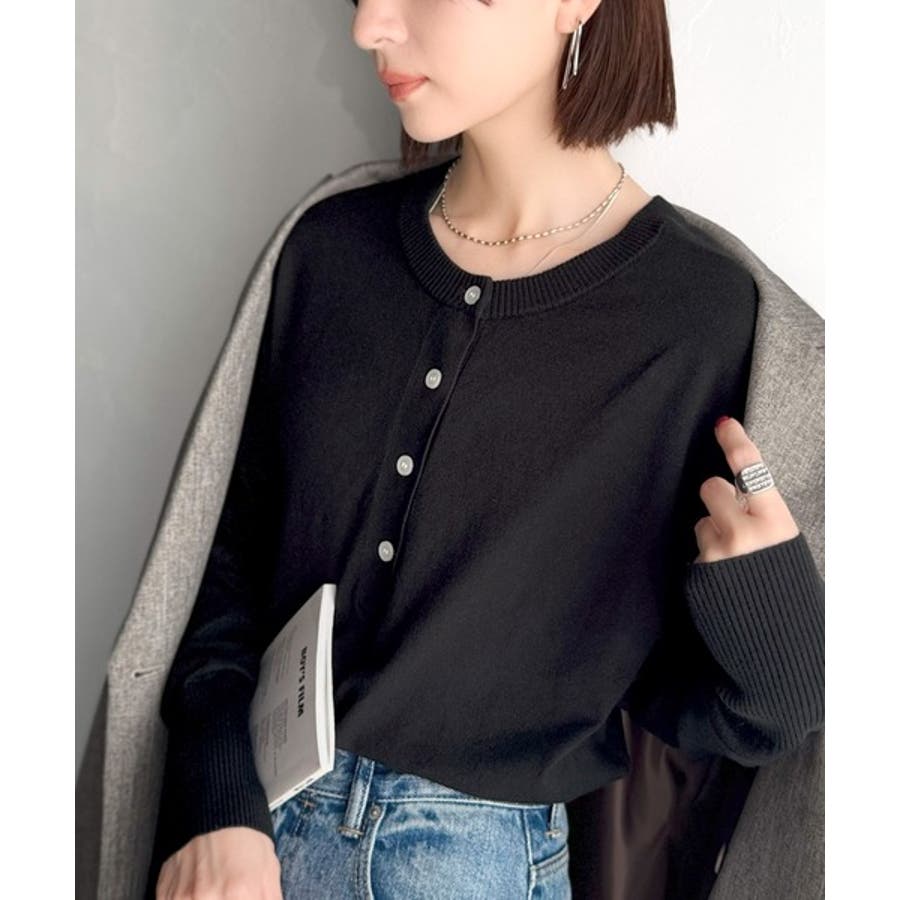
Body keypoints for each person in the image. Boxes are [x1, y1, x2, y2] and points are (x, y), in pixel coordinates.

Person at [148, 1, 825, 898]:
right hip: (242, 854)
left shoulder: (700, 321)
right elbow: (223, 577)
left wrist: (773, 614)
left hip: (474, 866)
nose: (368, 27)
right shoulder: (330, 252)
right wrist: (217, 805)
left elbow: (733, 722)